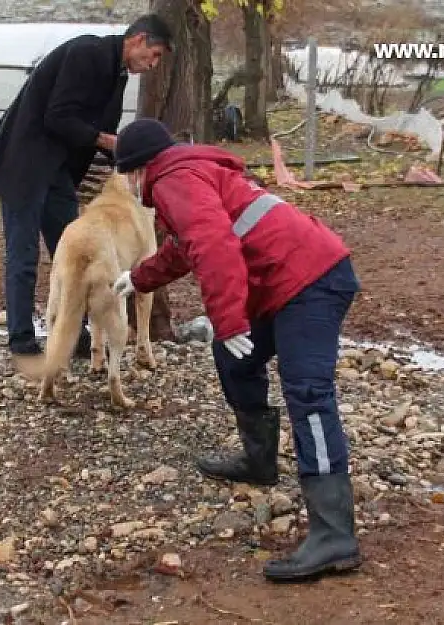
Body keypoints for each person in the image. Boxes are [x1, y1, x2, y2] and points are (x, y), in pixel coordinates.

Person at [110, 118, 363, 582]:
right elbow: (188, 247)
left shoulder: (171, 179)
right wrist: (141, 277)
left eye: (125, 173)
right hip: (289, 280)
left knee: (309, 393)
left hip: (311, 280)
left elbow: (211, 244)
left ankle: (334, 534)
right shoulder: (189, 172)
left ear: (136, 168)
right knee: (236, 358)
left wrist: (227, 320)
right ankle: (259, 460)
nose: (126, 183)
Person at [0, 15, 174, 357]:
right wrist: (108, 141)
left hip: (58, 171)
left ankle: (75, 335)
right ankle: (22, 341)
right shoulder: (88, 53)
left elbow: (103, 137)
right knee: (23, 255)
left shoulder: (117, 74)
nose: (153, 64)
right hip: (24, 163)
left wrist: (131, 159)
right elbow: (58, 116)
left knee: (73, 252)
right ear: (139, 39)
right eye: (154, 54)